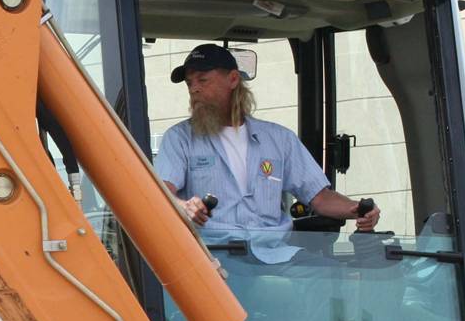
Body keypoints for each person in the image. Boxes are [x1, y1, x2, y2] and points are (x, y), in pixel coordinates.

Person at [154, 44, 380, 233]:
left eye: (203, 80)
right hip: (212, 259)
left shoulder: (279, 139)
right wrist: (185, 206)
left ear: (233, 79)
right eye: (189, 83)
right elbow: (160, 193)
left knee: (323, 280)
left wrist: (358, 209)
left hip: (272, 256)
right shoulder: (179, 138)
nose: (194, 89)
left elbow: (320, 198)